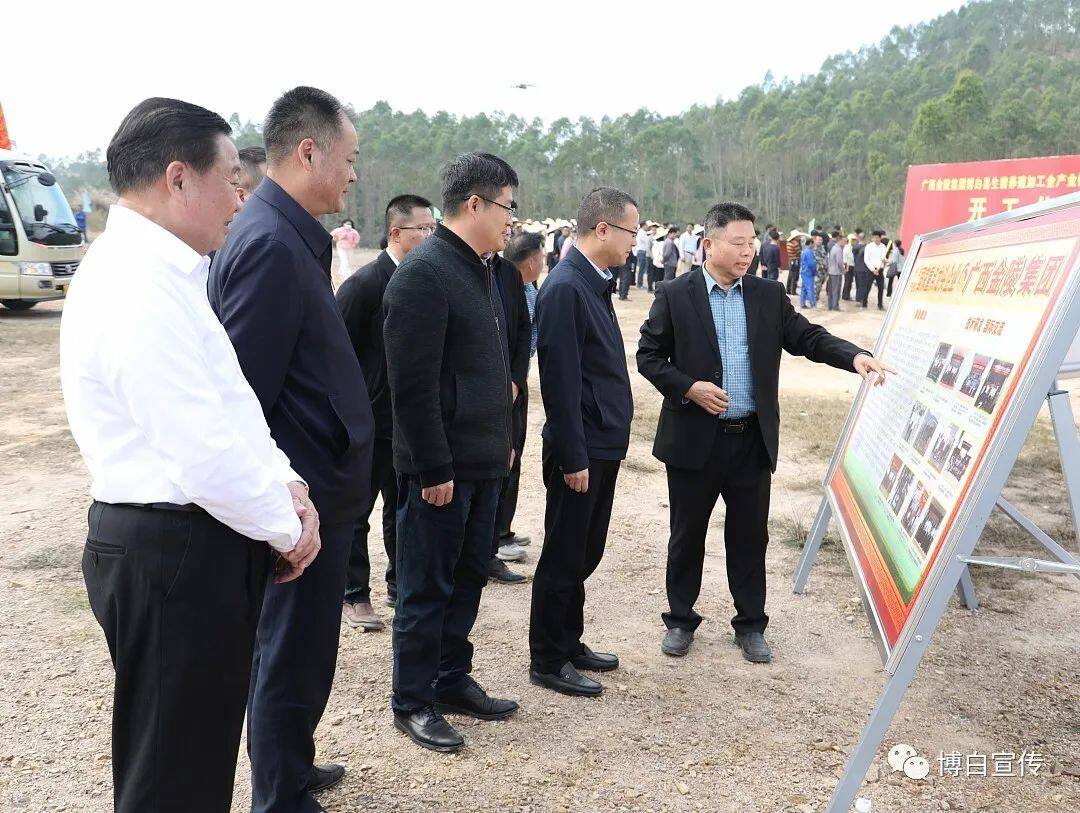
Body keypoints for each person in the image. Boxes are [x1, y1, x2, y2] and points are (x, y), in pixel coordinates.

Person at [60, 97, 318, 813]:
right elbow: (201, 449)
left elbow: (230, 406)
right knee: (172, 778)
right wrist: (288, 523)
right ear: (178, 179)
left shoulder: (169, 273)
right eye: (232, 179)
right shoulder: (135, 285)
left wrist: (285, 484)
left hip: (188, 541)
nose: (242, 198)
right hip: (171, 549)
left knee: (193, 759)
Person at [208, 86, 374, 813]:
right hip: (298, 501)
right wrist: (281, 503)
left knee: (306, 652)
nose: (354, 174)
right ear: (308, 152)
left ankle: (292, 764)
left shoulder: (290, 233)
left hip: (321, 488)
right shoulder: (271, 244)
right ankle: (279, 795)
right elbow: (241, 396)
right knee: (287, 654)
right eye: (351, 158)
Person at [636, 202, 892, 663]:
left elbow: (808, 338)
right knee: (686, 533)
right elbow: (649, 356)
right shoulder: (675, 294)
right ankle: (680, 620)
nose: (748, 251)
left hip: (750, 439)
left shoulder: (767, 295)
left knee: (751, 536)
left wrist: (854, 356)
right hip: (695, 439)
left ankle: (750, 624)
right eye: (738, 243)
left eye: (751, 242)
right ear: (708, 245)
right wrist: (688, 388)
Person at [383, 151, 520, 753]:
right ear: (476, 205)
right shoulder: (425, 274)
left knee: (467, 577)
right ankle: (412, 699)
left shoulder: (483, 269)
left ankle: (450, 677)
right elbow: (411, 387)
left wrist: (503, 441)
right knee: (426, 587)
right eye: (509, 207)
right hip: (441, 472)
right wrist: (433, 465)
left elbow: (494, 364)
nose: (513, 220)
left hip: (484, 461)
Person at [529, 187, 637, 698]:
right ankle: (548, 658)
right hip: (582, 447)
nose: (635, 243)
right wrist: (573, 454)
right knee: (565, 552)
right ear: (603, 229)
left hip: (601, 442)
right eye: (631, 232)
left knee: (584, 549)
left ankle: (569, 640)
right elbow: (561, 380)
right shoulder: (566, 287)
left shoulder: (593, 282)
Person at [336, 194, 437, 629]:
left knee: (403, 510)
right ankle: (355, 593)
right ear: (396, 233)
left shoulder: (427, 283)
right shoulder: (362, 286)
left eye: (434, 229)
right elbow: (336, 357)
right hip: (370, 423)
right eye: (423, 230)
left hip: (409, 423)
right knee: (359, 511)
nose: (431, 237)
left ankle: (400, 586)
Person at [493, 231, 544, 576]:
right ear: (529, 260)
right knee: (502, 459)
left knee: (514, 457)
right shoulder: (503, 287)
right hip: (501, 387)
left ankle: (502, 531)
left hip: (517, 381)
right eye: (542, 256)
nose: (545, 262)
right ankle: (493, 540)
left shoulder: (529, 289)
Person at [330, 217, 361, 285]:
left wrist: (354, 244)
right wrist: (335, 239)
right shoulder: (339, 230)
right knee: (345, 261)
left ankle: (340, 272)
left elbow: (357, 239)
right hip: (341, 248)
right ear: (343, 224)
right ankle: (347, 277)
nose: (348, 225)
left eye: (349, 224)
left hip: (350, 248)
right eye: (347, 224)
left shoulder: (354, 232)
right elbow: (331, 235)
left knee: (349, 262)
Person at [862, 229, 887, 310]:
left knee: (880, 288)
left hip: (880, 269)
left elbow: (884, 257)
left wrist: (885, 261)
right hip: (871, 270)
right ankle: (864, 303)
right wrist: (873, 269)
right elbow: (866, 260)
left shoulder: (883, 246)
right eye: (874, 238)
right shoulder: (869, 246)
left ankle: (880, 304)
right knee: (867, 287)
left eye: (877, 238)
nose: (875, 239)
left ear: (880, 238)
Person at [826, 232, 846, 310]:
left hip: (831, 271)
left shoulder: (834, 248)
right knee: (836, 290)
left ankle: (830, 305)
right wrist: (843, 270)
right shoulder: (838, 249)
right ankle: (835, 306)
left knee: (831, 290)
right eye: (844, 241)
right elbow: (839, 262)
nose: (845, 243)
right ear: (840, 240)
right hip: (836, 272)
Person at [844, 228, 864, 301]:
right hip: (848, 266)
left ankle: (848, 295)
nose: (855, 241)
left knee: (850, 282)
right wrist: (846, 267)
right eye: (853, 240)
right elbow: (845, 258)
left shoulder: (855, 247)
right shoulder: (847, 248)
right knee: (848, 281)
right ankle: (845, 295)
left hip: (853, 266)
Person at [799, 237, 817, 309]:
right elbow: (811, 264)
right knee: (810, 288)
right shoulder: (809, 252)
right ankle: (813, 304)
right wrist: (814, 271)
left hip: (804, 271)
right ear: (810, 243)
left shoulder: (804, 251)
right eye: (813, 243)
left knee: (804, 288)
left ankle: (802, 303)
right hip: (808, 272)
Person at [635, 221, 653, 289]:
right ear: (643, 226)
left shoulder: (643, 232)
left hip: (642, 252)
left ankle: (640, 283)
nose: (647, 227)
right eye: (646, 225)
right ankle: (639, 284)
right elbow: (647, 241)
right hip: (642, 252)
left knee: (642, 269)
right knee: (641, 269)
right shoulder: (641, 233)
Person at [785, 231, 802, 296]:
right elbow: (799, 252)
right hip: (795, 260)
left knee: (790, 275)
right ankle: (793, 291)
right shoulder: (795, 244)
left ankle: (788, 289)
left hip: (790, 260)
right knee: (795, 276)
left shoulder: (788, 243)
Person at [650, 224, 667, 290]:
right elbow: (663, 254)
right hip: (661, 263)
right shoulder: (662, 244)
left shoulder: (655, 243)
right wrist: (663, 259)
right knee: (660, 278)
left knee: (656, 278)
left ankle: (657, 289)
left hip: (655, 262)